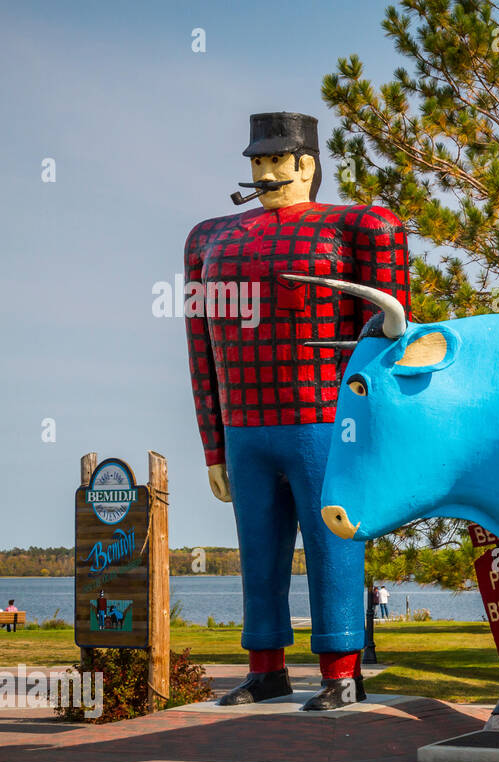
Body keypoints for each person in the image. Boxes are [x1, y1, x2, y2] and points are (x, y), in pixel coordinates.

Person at [185, 111, 410, 711]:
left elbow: (389, 344)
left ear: (306, 163)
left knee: (334, 541)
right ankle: (266, 667)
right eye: (256, 161)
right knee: (257, 550)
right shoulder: (208, 239)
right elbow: (200, 347)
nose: (264, 170)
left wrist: (377, 434)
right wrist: (214, 444)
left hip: (324, 419)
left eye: (274, 159)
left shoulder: (362, 227)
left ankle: (340, 669)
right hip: (245, 424)